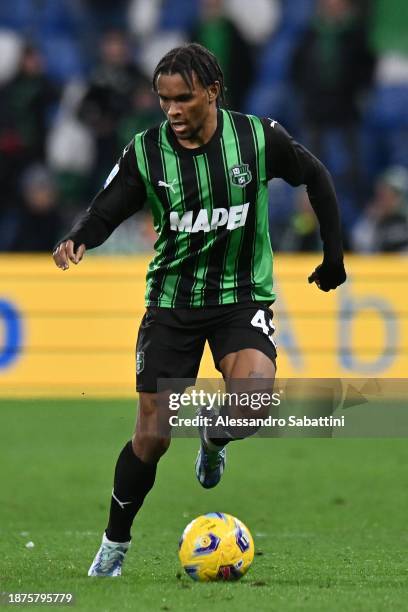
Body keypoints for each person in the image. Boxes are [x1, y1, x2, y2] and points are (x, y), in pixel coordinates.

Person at [52, 43, 346, 577]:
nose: (173, 110)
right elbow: (109, 206)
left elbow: (317, 177)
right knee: (153, 434)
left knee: (252, 405)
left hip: (240, 297)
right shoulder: (146, 151)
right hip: (173, 303)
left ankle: (214, 436)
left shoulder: (256, 138)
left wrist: (334, 257)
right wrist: (79, 238)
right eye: (164, 99)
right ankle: (114, 545)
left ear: (212, 91)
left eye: (183, 98)